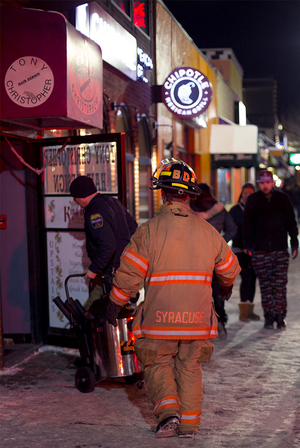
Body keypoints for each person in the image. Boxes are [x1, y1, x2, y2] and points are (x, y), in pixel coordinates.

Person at [104, 159, 240, 438]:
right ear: (189, 195)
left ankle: (168, 415)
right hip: (197, 320)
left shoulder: (149, 230)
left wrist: (114, 302)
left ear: (162, 194)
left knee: (156, 363)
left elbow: (129, 274)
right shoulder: (208, 231)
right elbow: (228, 268)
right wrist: (225, 287)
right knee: (190, 367)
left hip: (160, 319)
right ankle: (189, 426)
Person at [69, 175, 138, 310]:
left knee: (98, 310)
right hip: (126, 268)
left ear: (82, 196)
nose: (74, 201)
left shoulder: (94, 213)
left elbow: (108, 245)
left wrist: (94, 269)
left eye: (75, 197)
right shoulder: (112, 202)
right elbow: (133, 227)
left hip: (113, 271)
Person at [243, 170, 298, 330]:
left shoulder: (283, 199)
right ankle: (269, 316)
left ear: (272, 183)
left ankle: (280, 316)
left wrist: (294, 243)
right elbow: (247, 224)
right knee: (266, 286)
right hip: (260, 251)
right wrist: (249, 246)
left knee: (280, 286)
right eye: (262, 183)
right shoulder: (253, 200)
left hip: (280, 249)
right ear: (259, 184)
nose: (265, 185)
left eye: (267, 182)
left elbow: (291, 223)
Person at [190, 183, 237, 339]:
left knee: (197, 293)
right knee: (217, 292)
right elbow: (232, 229)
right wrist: (221, 242)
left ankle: (200, 326)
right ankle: (220, 322)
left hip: (194, 258)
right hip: (215, 257)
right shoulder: (219, 210)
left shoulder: (190, 210)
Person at [229, 183, 259, 322]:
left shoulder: (257, 209)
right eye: (246, 192)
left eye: (251, 192)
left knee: (253, 278)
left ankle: (249, 310)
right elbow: (230, 228)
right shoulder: (235, 210)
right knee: (246, 277)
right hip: (239, 249)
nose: (248, 195)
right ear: (241, 193)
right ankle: (243, 311)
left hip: (254, 249)